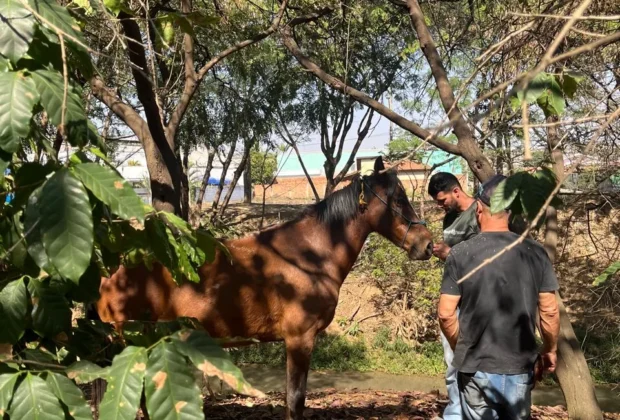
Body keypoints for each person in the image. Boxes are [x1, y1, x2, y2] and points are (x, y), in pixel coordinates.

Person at [437, 175, 561, 420]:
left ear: (479, 209)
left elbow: (445, 313)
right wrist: (550, 349)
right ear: (510, 213)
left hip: (475, 370)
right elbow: (549, 310)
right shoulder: (535, 252)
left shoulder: (459, 253)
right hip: (519, 369)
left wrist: (460, 348)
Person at [428, 172, 479, 420]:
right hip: (453, 295)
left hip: (479, 299)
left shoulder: (482, 212)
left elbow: (487, 257)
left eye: (442, 199)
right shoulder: (449, 218)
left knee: (480, 358)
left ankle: (479, 410)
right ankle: (456, 412)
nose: (440, 205)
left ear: (456, 190)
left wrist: (450, 254)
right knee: (452, 358)